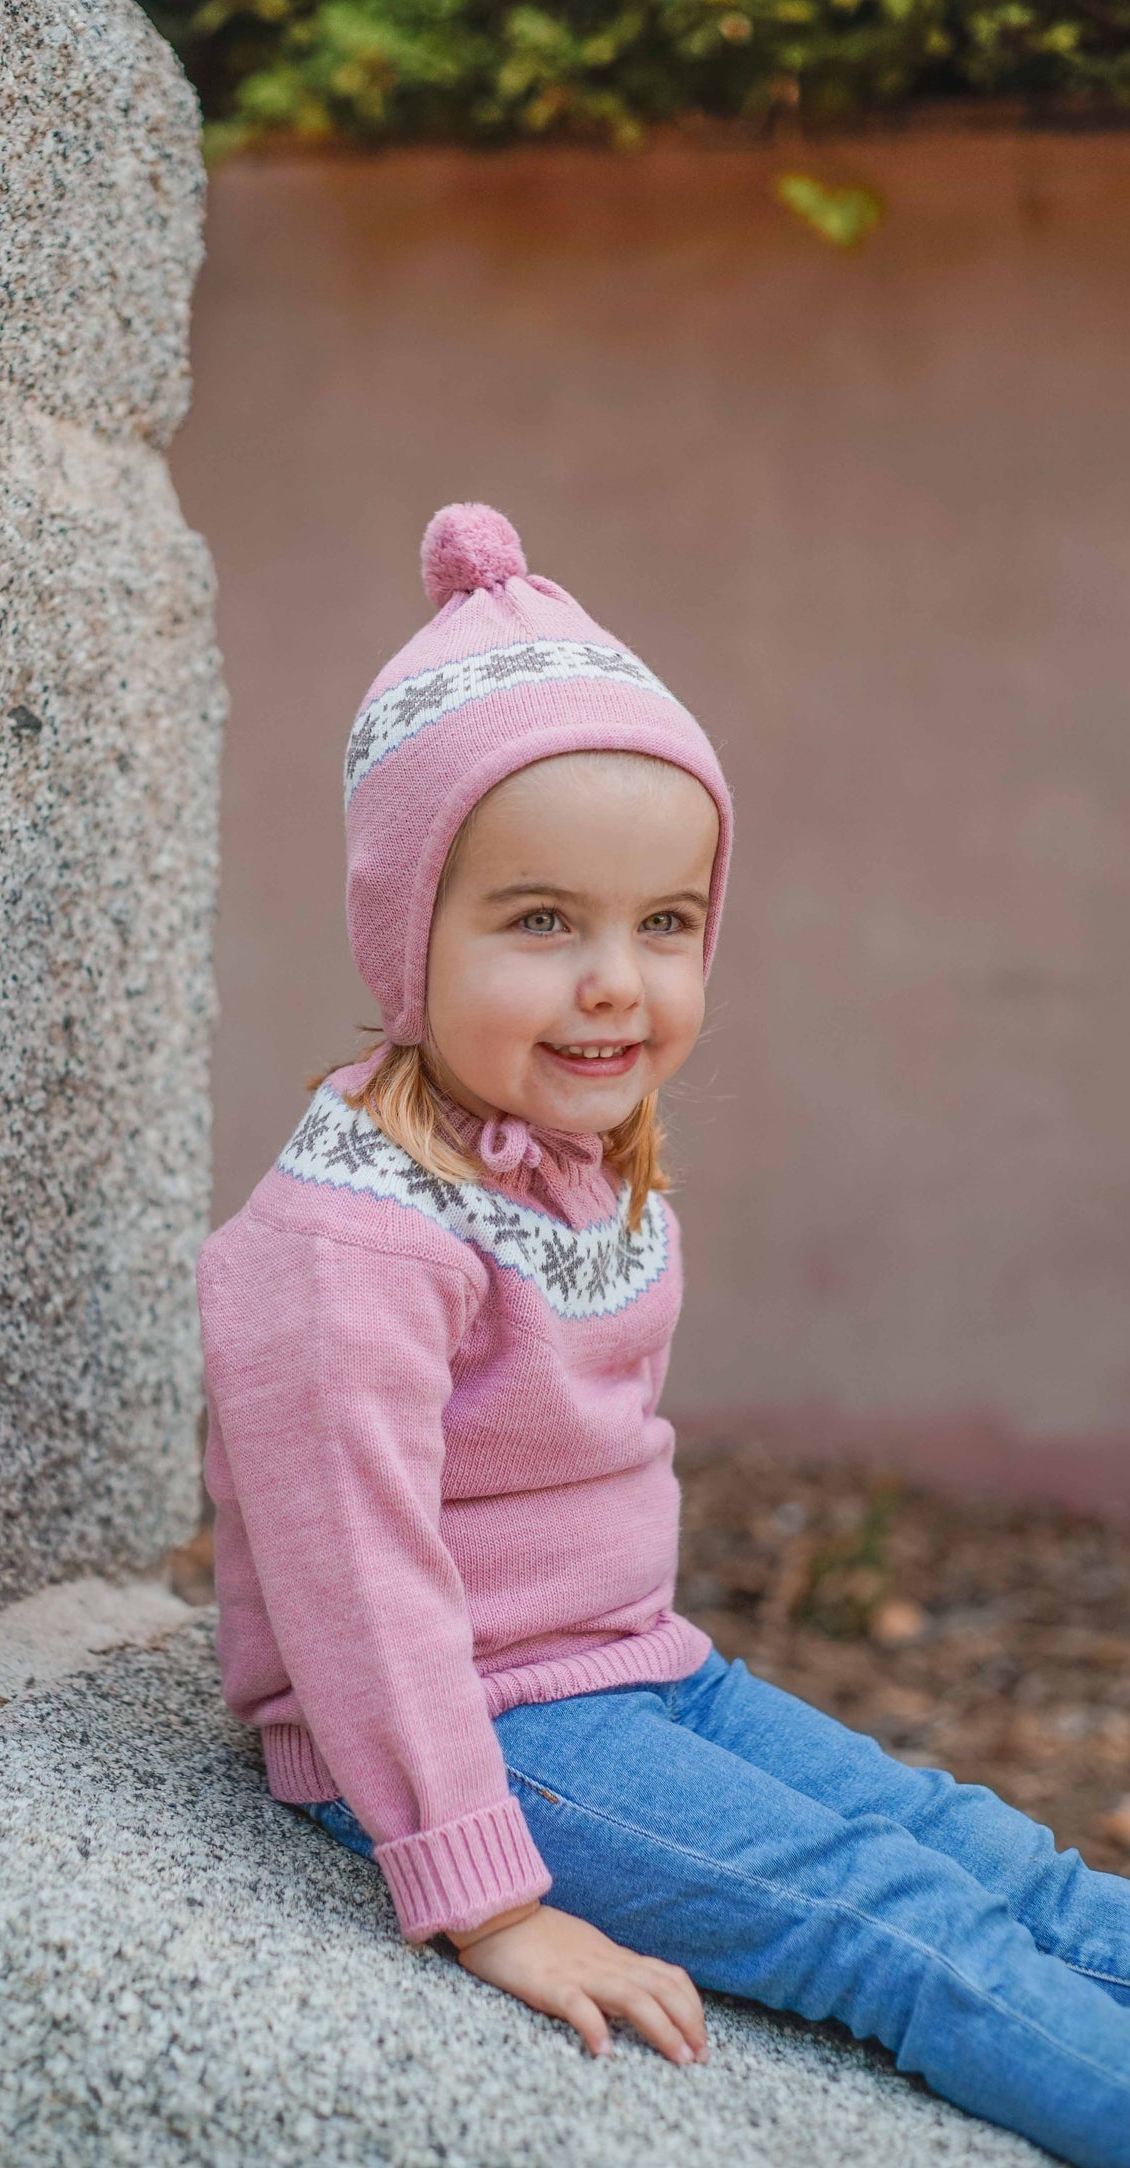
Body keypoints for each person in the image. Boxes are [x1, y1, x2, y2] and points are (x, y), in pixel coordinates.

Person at [196, 503, 1130, 2165]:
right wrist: (481, 1896)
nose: (615, 982)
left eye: (665, 924)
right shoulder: (347, 1239)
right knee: (896, 1929)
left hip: (637, 1672)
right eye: (541, 922)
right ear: (409, 934)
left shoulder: (575, 1173)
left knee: (981, 1846)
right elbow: (356, 1584)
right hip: (478, 1735)